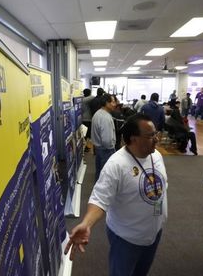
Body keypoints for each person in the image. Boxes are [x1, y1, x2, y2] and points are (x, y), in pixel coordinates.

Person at [64, 114, 168, 276]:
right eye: (151, 136)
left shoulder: (156, 156)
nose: (156, 139)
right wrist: (87, 223)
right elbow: (100, 199)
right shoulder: (116, 164)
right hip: (126, 238)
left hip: (153, 232)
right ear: (134, 139)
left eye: (156, 133)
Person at [91, 93, 117, 181]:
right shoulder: (105, 117)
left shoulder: (98, 113)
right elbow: (107, 141)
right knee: (106, 177)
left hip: (99, 149)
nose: (115, 104)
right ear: (106, 103)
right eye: (113, 102)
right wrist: (112, 150)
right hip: (106, 151)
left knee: (100, 174)